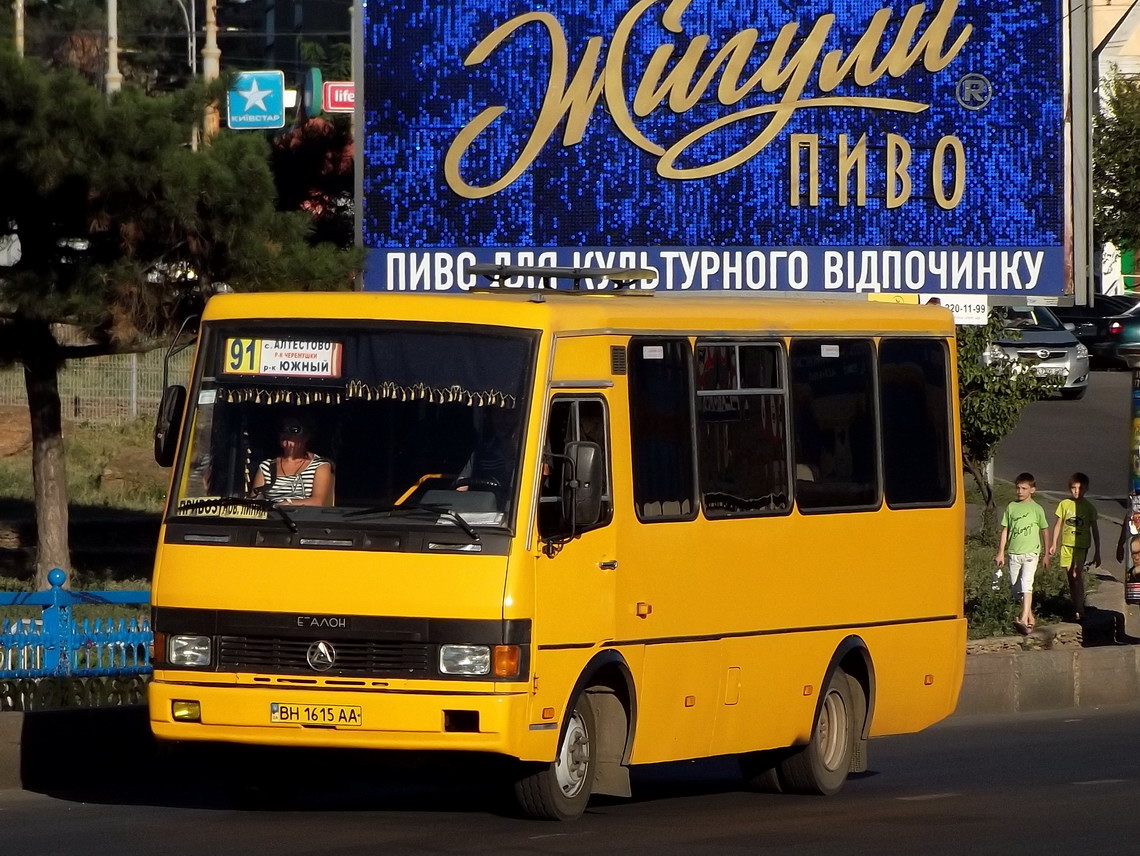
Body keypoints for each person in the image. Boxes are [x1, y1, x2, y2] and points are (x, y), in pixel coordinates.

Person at [994, 472, 1051, 634]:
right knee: (1016, 588)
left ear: (1032, 490)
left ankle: (1024, 619)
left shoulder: (1037, 509)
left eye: (1024, 488)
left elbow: (1045, 530)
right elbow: (1005, 530)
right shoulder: (1011, 507)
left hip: (1031, 552)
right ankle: (1031, 617)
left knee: (1027, 583)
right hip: (1014, 552)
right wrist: (1000, 552)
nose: (1020, 491)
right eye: (1018, 488)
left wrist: (1046, 554)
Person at [1048, 472, 1100, 621]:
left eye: (1080, 488)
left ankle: (1080, 609)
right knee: (1071, 577)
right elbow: (1058, 524)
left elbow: (1095, 530)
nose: (1077, 491)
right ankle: (1075, 604)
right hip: (1066, 545)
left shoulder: (1089, 508)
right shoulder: (1064, 504)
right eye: (1074, 488)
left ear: (1086, 488)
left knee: (1077, 574)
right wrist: (1054, 543)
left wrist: (1098, 551)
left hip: (1081, 546)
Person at [249, 415, 334, 506]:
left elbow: (318, 502)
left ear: (306, 436)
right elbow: (254, 501)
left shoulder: (320, 465)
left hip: (304, 517)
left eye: (294, 429)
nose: (286, 433)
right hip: (272, 516)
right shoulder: (267, 466)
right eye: (282, 429)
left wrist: (286, 504)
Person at [455, 405, 518, 493]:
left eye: (508, 414)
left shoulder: (531, 454)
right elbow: (461, 486)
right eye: (496, 413)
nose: (501, 420)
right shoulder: (481, 452)